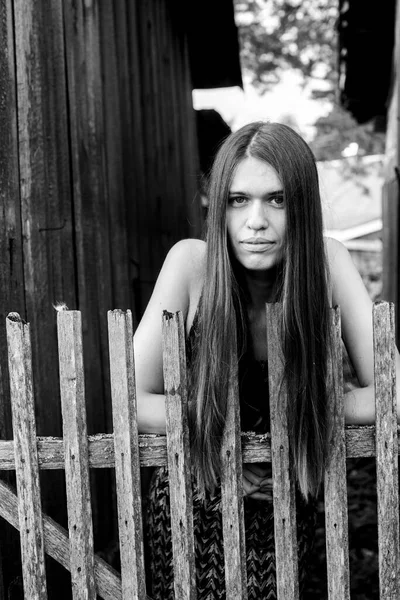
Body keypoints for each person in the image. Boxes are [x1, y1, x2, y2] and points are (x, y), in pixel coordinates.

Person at [133, 121, 400, 599]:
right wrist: (220, 439)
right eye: (238, 200)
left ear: (300, 206)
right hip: (195, 495)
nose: (256, 220)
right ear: (218, 206)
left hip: (288, 496)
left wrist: (300, 419)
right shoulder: (191, 264)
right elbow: (130, 400)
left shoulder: (326, 263)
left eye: (276, 199)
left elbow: (390, 389)